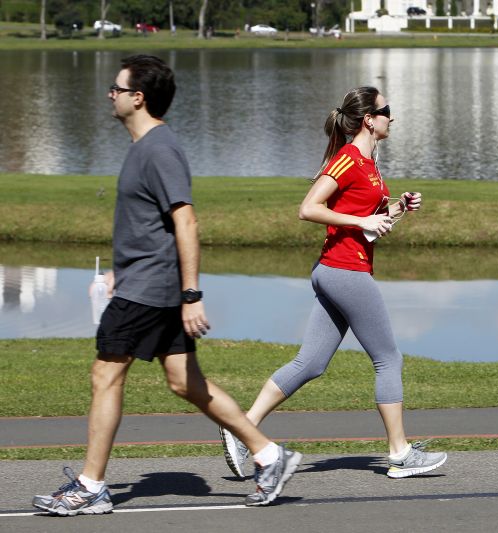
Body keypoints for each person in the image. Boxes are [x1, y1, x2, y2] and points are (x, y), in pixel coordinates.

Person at [31, 55, 302, 516]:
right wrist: (123, 269)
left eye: (116, 89)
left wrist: (191, 294)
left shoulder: (159, 148)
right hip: (145, 282)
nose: (109, 95)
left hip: (152, 290)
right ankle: (269, 455)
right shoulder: (145, 147)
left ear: (138, 97)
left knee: (105, 373)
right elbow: (151, 226)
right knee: (184, 382)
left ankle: (91, 485)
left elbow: (186, 221)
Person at [220, 86, 447, 480]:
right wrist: (363, 221)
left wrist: (395, 210)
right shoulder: (348, 159)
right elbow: (308, 209)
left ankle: (241, 428)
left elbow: (367, 224)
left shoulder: (370, 163)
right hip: (345, 272)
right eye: (386, 111)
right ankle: (400, 453)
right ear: (368, 120)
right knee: (388, 359)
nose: (392, 117)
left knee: (310, 363)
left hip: (339, 268)